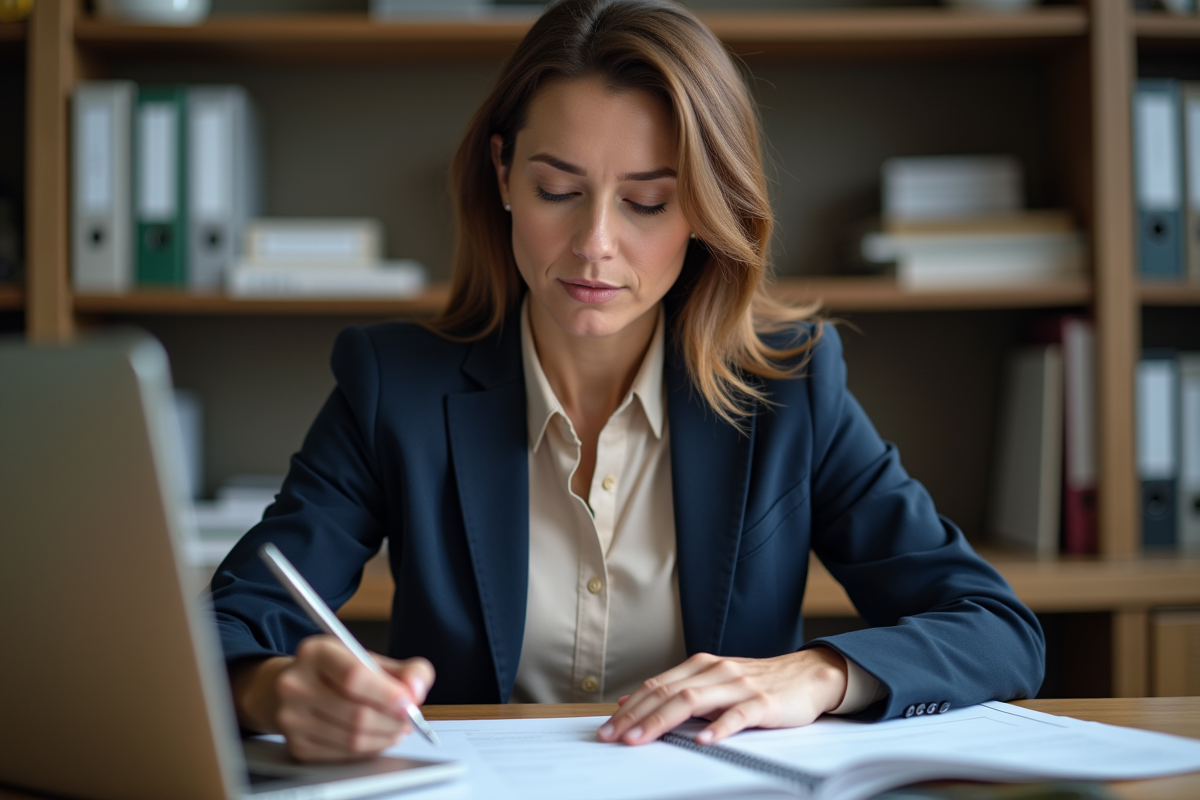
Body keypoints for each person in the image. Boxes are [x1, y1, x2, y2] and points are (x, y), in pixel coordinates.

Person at [211, 0, 1045, 764]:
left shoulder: (791, 387)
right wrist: (274, 689)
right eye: (558, 190)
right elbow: (231, 623)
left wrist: (817, 674)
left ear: (706, 211)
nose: (594, 243)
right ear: (502, 174)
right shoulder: (392, 384)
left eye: (647, 202)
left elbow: (996, 630)